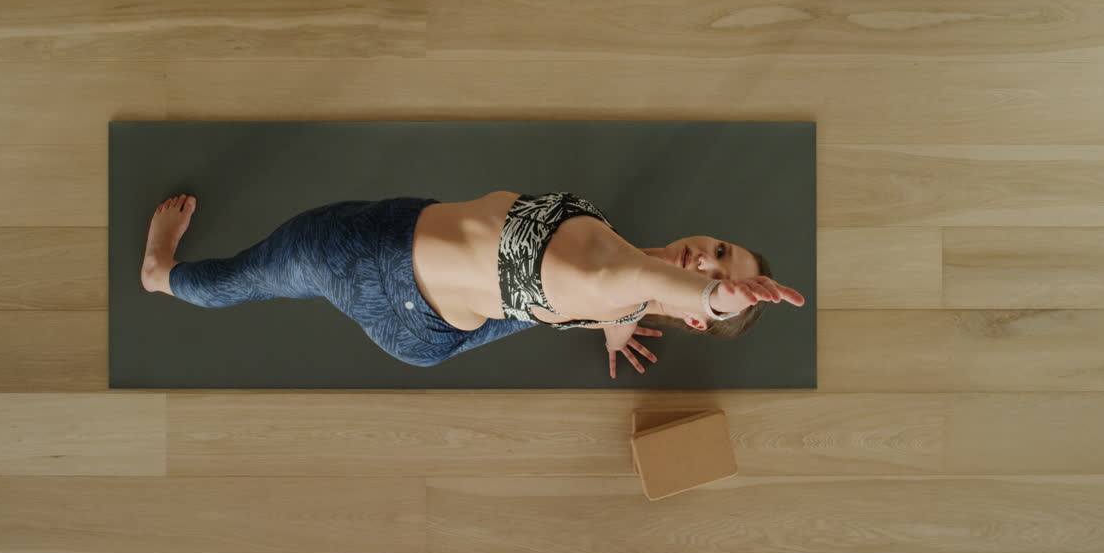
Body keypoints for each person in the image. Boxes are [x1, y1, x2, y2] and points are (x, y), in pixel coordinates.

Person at [140, 191, 804, 379]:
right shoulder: (624, 291)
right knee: (543, 310)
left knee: (253, 274)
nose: (705, 262)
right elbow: (630, 289)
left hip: (376, 273)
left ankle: (161, 275)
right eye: (722, 251)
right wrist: (614, 339)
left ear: (694, 313)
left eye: (714, 280)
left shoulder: (619, 277)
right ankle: (561, 318)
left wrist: (714, 299)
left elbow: (626, 280)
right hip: (427, 290)